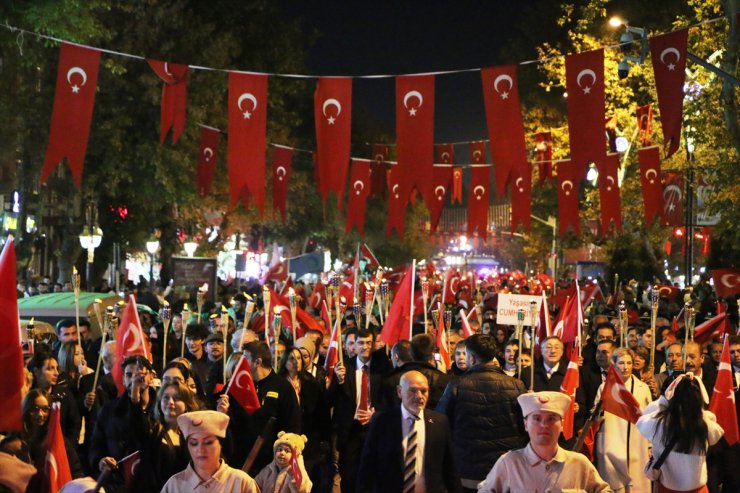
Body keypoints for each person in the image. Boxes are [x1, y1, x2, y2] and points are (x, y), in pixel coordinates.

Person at [436, 334, 527, 492]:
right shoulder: (517, 385)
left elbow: (441, 424)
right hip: (504, 470)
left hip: (466, 471)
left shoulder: (456, 386)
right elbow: (525, 426)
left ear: (471, 358)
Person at [478, 391, 611, 493]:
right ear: (526, 424)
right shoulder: (509, 463)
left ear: (562, 425)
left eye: (551, 419)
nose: (544, 425)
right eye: (536, 418)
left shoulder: (579, 463)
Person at [357, 370, 461, 493]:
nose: (419, 396)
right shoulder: (382, 422)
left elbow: (449, 468)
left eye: (424, 391)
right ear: (399, 391)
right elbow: (367, 466)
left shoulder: (439, 422)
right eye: (412, 390)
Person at [636, 373, 724, 493]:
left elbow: (641, 421)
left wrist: (664, 400)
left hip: (667, 487)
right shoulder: (705, 424)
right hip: (697, 489)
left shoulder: (658, 423)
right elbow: (717, 432)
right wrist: (696, 409)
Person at [594, 348, 651, 492]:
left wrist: (650, 445)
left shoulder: (643, 388)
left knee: (637, 484)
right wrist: (598, 412)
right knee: (613, 484)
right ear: (613, 364)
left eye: (629, 363)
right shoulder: (604, 387)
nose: (625, 367)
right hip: (611, 442)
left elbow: (650, 418)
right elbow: (596, 416)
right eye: (621, 363)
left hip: (637, 443)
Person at [161, 410, 258, 492]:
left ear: (220, 444)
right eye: (194, 443)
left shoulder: (242, 482)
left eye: (208, 442)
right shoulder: (174, 486)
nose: (200, 449)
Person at [26, 351, 81, 445]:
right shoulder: (28, 395)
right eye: (50, 368)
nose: (56, 373)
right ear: (36, 371)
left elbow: (74, 424)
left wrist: (67, 446)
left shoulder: (64, 395)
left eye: (57, 368)